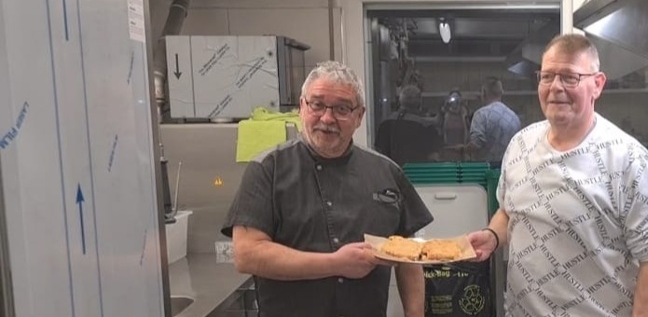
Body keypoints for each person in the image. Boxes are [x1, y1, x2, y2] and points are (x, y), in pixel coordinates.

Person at [467, 34, 648, 317]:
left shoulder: (628, 159)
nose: (555, 87)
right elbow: (508, 211)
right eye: (547, 76)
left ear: (597, 85)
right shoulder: (520, 145)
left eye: (569, 77)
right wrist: (492, 235)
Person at [221, 61, 434, 317]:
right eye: (317, 105)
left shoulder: (387, 173)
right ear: (302, 107)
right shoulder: (268, 169)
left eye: (342, 109)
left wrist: (415, 314)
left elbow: (409, 258)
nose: (327, 118)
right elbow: (247, 254)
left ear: (359, 116)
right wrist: (335, 264)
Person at [375, 84, 443, 164]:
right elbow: (434, 158)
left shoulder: (386, 125)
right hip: (419, 171)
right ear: (420, 103)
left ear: (400, 101)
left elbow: (379, 155)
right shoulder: (427, 128)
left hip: (391, 171)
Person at [462, 77, 522, 165]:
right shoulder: (514, 117)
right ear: (501, 92)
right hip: (510, 167)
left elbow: (476, 145)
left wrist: (461, 149)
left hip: (486, 169)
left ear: (484, 93)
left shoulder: (481, 114)